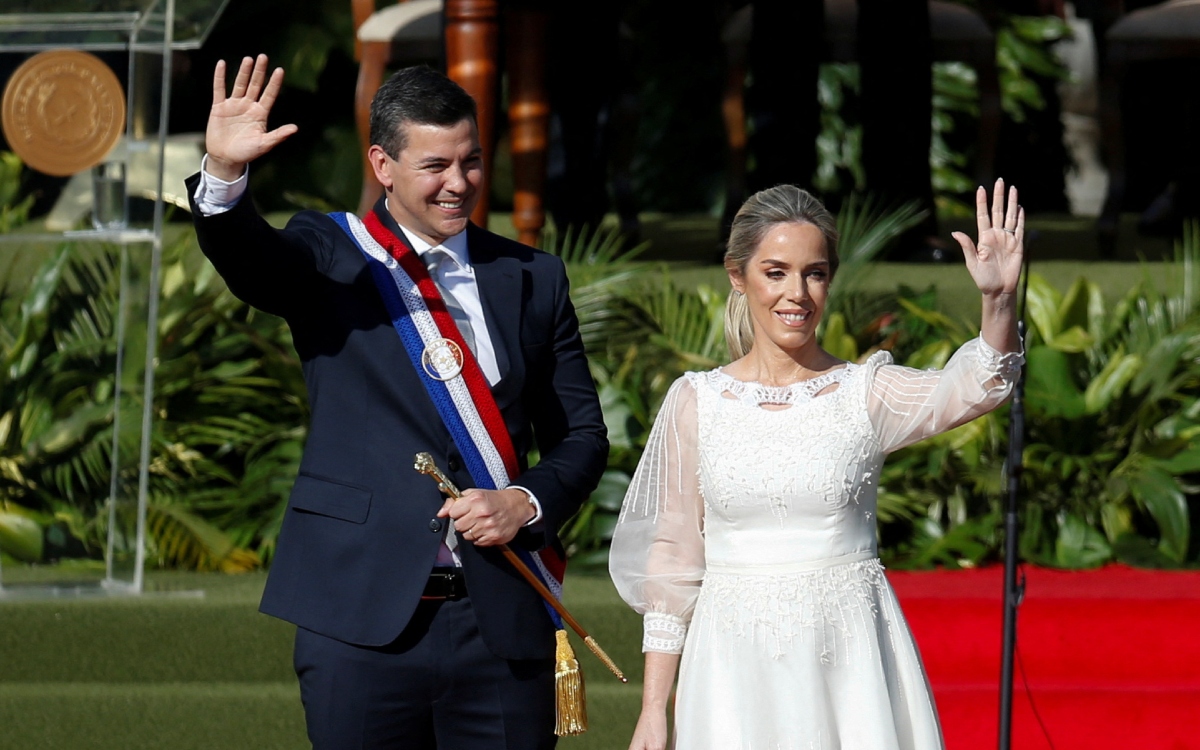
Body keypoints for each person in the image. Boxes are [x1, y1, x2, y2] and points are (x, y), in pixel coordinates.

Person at [187, 55, 608, 749]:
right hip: (358, 621)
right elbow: (256, 263)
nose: (459, 183)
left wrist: (524, 501)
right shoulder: (331, 254)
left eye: (471, 161)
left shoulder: (533, 276)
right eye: (434, 165)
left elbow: (583, 437)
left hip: (498, 622)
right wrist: (226, 176)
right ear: (383, 165)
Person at [610, 179, 1025, 749]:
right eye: (775, 272)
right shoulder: (695, 401)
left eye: (815, 273)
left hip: (849, 670)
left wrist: (998, 300)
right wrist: (654, 712)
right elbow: (673, 561)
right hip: (730, 673)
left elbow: (978, 385)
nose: (797, 293)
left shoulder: (865, 392)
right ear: (739, 277)